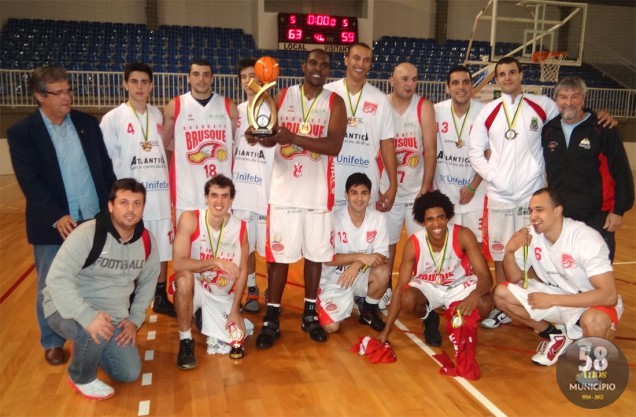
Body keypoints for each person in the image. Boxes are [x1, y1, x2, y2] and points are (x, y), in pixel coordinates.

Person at [467, 56, 616, 330]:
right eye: (502, 74)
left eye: (512, 72)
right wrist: (492, 175)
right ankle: (506, 307)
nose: (508, 78)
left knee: (533, 250)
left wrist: (598, 115)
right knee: (502, 253)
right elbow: (474, 150)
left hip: (530, 196)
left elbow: (571, 114)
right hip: (499, 195)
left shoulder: (542, 105)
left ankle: (543, 302)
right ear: (497, 79)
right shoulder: (488, 111)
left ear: (521, 75)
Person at [7, 65, 116, 366]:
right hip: (54, 224)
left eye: (68, 90)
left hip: (94, 217)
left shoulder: (86, 123)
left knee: (94, 278)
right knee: (50, 283)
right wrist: (57, 216)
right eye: (60, 92)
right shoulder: (22, 132)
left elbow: (104, 169)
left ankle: (95, 331)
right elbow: (30, 181)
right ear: (40, 96)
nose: (67, 97)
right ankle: (52, 341)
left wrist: (114, 203)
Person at [245, 49, 347, 350]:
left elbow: (334, 145)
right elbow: (271, 135)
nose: (318, 68)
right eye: (313, 63)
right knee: (278, 259)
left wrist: (293, 138)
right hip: (283, 193)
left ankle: (309, 314)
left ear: (329, 71)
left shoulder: (335, 102)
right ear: (304, 66)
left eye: (324, 65)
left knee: (315, 256)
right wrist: (259, 135)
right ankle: (272, 318)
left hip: (317, 194)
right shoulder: (283, 96)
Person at [42, 178, 159, 400]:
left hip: (112, 317)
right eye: (124, 202)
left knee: (129, 373)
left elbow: (149, 280)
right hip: (65, 309)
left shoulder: (146, 241)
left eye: (137, 203)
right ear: (111, 206)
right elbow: (57, 278)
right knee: (93, 329)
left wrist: (134, 319)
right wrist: (87, 316)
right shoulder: (88, 233)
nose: (130, 209)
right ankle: (80, 376)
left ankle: (88, 347)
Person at [497, 187, 623, 366]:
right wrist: (509, 252)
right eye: (530, 211)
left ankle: (592, 357)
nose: (533, 217)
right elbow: (515, 278)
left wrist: (552, 299)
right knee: (502, 294)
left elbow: (609, 296)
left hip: (591, 303)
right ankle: (556, 337)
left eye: (539, 210)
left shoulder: (585, 239)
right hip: (555, 294)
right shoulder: (529, 234)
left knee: (594, 322)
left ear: (557, 210)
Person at [100, 63, 175, 317]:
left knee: (163, 248)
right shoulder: (113, 118)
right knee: (129, 248)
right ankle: (126, 296)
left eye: (144, 82)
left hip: (160, 195)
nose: (140, 87)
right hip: (130, 200)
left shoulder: (159, 116)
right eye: (134, 82)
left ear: (151, 86)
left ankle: (161, 294)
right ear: (125, 84)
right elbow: (104, 160)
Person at [379, 190, 493, 348]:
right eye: (430, 219)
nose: (436, 224)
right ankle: (429, 316)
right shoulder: (413, 243)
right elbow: (399, 287)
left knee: (486, 303)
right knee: (407, 299)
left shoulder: (463, 235)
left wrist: (475, 295)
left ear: (447, 217)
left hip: (458, 285)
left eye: (441, 217)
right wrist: (386, 331)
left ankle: (459, 320)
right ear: (423, 222)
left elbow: (485, 276)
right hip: (428, 287)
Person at [542, 76, 634, 261]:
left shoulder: (602, 128)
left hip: (596, 216)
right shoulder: (549, 130)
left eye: (575, 96)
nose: (569, 102)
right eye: (563, 97)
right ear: (556, 100)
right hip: (561, 214)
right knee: (565, 268)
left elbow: (621, 171)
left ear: (583, 98)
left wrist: (618, 211)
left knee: (596, 269)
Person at [172, 174, 249, 369]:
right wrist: (214, 262)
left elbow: (243, 272)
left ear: (231, 199)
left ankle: (204, 316)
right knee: (183, 279)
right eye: (214, 195)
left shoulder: (240, 228)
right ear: (206, 198)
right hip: (196, 288)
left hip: (222, 295)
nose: (219, 201)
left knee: (235, 340)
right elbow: (178, 263)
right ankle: (185, 340)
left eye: (225, 196)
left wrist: (235, 311)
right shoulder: (190, 219)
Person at [379, 62, 437, 312]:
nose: (408, 84)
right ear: (392, 80)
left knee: (421, 245)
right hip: (388, 188)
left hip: (415, 192)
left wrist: (425, 188)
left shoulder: (424, 107)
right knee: (387, 244)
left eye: (413, 79)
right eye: (403, 79)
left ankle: (422, 290)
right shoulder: (382, 105)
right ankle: (385, 289)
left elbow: (431, 150)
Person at [162, 59, 238, 221]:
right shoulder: (175, 106)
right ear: (188, 78)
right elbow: (162, 144)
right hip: (186, 190)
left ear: (212, 79)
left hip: (220, 192)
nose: (201, 79)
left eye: (206, 75)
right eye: (196, 74)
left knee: (220, 242)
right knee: (186, 241)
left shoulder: (228, 106)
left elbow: (237, 143)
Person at [325, 42, 397, 212]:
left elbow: (387, 144)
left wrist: (393, 185)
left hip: (366, 178)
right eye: (356, 58)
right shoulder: (327, 92)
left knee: (364, 235)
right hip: (331, 176)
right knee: (330, 235)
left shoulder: (380, 99)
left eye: (366, 60)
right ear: (346, 60)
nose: (360, 64)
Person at [317, 173, 390, 333]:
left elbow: (382, 255)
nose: (359, 198)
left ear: (370, 196)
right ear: (346, 195)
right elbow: (327, 259)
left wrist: (357, 264)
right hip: (334, 279)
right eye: (354, 193)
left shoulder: (379, 218)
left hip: (360, 275)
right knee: (331, 327)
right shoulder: (333, 219)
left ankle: (368, 311)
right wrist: (359, 257)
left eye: (364, 193)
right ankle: (323, 299)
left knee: (383, 271)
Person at [231, 58, 276, 313]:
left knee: (269, 250)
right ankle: (250, 288)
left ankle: (272, 289)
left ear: (262, 80)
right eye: (244, 77)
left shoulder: (273, 110)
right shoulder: (236, 113)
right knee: (245, 248)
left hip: (266, 191)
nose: (249, 82)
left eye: (253, 76)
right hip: (241, 194)